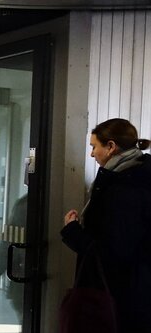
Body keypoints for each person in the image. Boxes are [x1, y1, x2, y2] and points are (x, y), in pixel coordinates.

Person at [61, 118, 151, 332]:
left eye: (94, 147)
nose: (92, 154)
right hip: (136, 294)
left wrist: (72, 230)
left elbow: (112, 252)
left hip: (117, 297)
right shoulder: (136, 178)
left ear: (111, 147)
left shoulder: (123, 189)